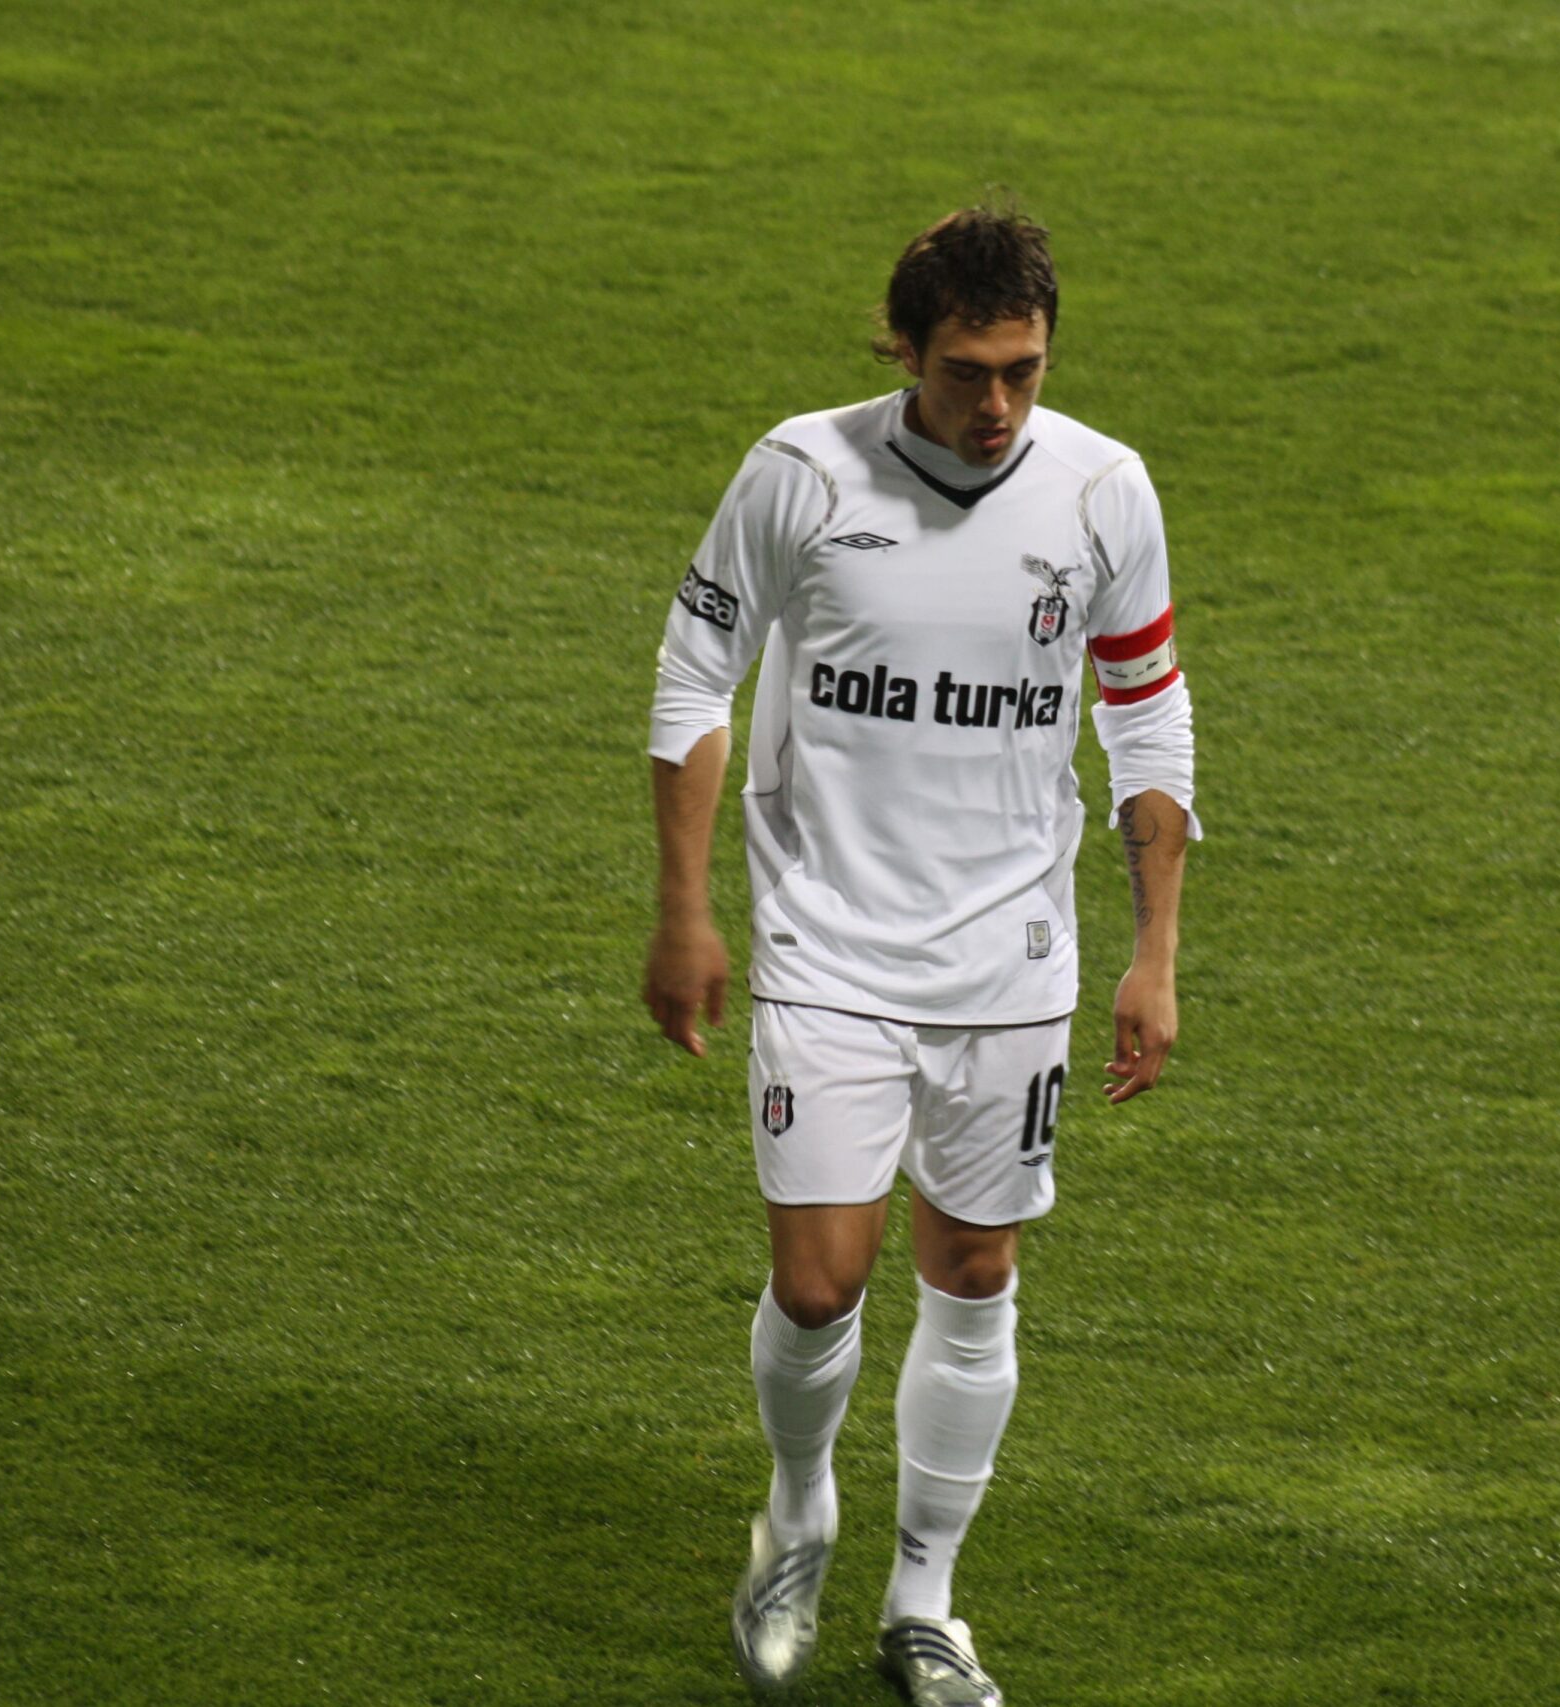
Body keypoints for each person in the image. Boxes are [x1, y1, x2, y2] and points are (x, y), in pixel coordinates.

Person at [642, 198, 1199, 1707]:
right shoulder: (802, 475)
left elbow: (1147, 712)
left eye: (1024, 370)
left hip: (1011, 956)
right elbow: (695, 671)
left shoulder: (1103, 493)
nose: (997, 404)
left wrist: (1153, 949)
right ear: (904, 350)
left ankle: (926, 1603)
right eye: (967, 371)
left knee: (976, 1269)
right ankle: (797, 1512)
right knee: (821, 1284)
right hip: (826, 937)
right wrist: (686, 907)